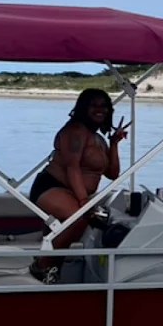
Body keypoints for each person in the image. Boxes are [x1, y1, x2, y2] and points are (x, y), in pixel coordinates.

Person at [28, 88, 130, 282]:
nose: (100, 109)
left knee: (79, 225)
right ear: (84, 108)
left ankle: (53, 270)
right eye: (94, 105)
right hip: (52, 186)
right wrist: (84, 201)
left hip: (74, 193)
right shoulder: (75, 131)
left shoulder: (99, 139)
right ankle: (41, 266)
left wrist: (114, 143)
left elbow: (112, 173)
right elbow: (72, 167)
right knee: (79, 219)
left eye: (104, 106)